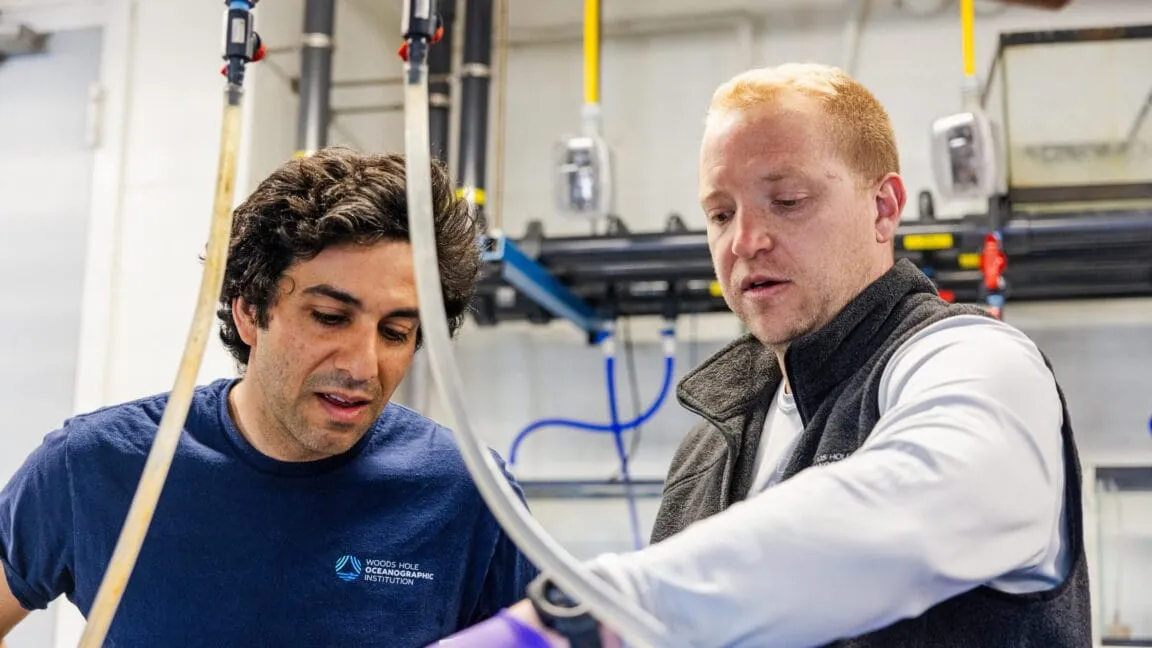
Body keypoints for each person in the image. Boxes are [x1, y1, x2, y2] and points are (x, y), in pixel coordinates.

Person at [435, 63, 1091, 647]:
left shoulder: (973, 362)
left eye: (788, 200)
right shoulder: (713, 440)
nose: (745, 241)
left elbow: (910, 514)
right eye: (720, 213)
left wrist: (586, 616)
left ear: (884, 208)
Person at [0, 147, 538, 647]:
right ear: (250, 313)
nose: (362, 366)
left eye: (396, 332)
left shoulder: (467, 493)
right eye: (330, 318)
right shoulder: (96, 465)